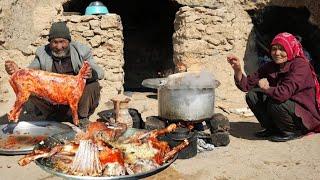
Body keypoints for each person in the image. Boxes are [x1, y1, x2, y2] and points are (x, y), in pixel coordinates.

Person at [5, 22, 104, 127]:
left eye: (62, 42)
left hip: (74, 99)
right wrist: (17, 71)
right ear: (50, 42)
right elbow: (30, 73)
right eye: (55, 42)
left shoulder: (82, 51)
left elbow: (100, 72)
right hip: (53, 101)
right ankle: (52, 116)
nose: (59, 46)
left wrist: (91, 73)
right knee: (29, 86)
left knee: (93, 85)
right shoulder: (42, 53)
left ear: (69, 41)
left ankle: (81, 117)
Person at [227, 32, 320, 142]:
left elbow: (282, 94)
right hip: (284, 104)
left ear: (291, 49)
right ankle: (272, 128)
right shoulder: (271, 66)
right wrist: (237, 69)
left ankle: (292, 131)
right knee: (252, 96)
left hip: (302, 113)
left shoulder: (300, 66)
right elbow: (246, 85)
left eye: (282, 49)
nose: (277, 53)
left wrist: (266, 88)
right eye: (274, 49)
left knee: (275, 103)